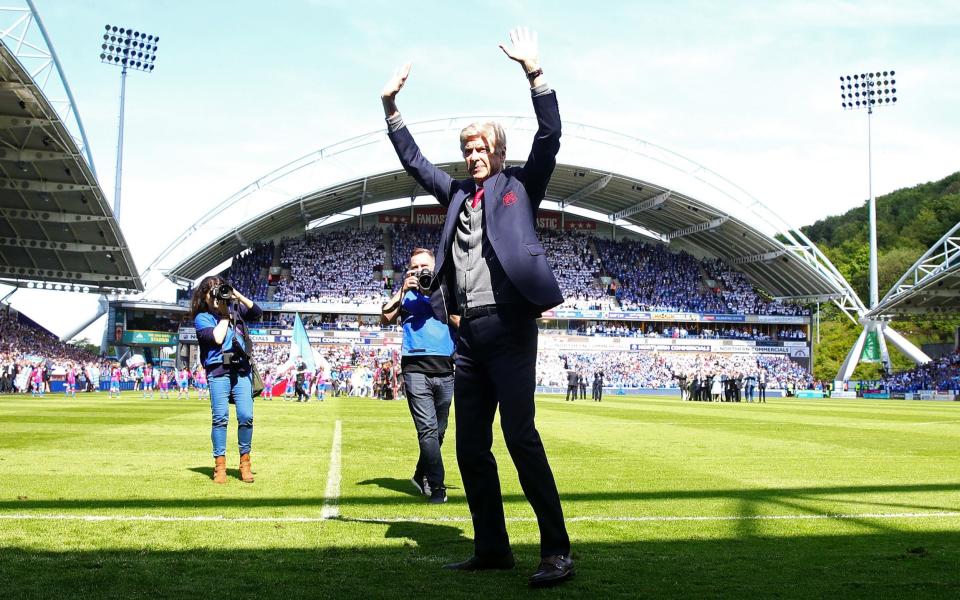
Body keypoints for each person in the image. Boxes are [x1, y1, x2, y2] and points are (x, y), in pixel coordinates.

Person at [381, 27, 573, 586]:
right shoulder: (458, 196)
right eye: (467, 149)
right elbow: (417, 164)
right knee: (470, 449)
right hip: (466, 340)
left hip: (511, 330)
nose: (473, 155)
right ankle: (493, 548)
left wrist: (535, 73)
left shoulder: (521, 187)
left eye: (481, 147)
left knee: (521, 438)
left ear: (498, 152)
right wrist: (391, 108)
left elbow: (551, 134)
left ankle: (557, 550)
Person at [382, 247, 456, 504]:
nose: (419, 271)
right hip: (414, 367)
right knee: (427, 430)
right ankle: (437, 487)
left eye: (424, 267)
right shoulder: (405, 294)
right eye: (415, 267)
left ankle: (419, 475)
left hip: (446, 368)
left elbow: (458, 321)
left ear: (434, 268)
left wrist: (433, 292)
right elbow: (385, 316)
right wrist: (403, 290)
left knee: (440, 430)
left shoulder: (446, 290)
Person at [192, 276, 262, 484]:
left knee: (246, 416)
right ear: (204, 297)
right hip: (218, 371)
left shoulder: (236, 311)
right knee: (220, 418)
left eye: (218, 290)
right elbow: (218, 338)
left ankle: (245, 462)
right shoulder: (202, 318)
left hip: (241, 369)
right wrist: (224, 316)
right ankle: (220, 466)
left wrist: (235, 295)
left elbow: (257, 312)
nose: (216, 295)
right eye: (211, 292)